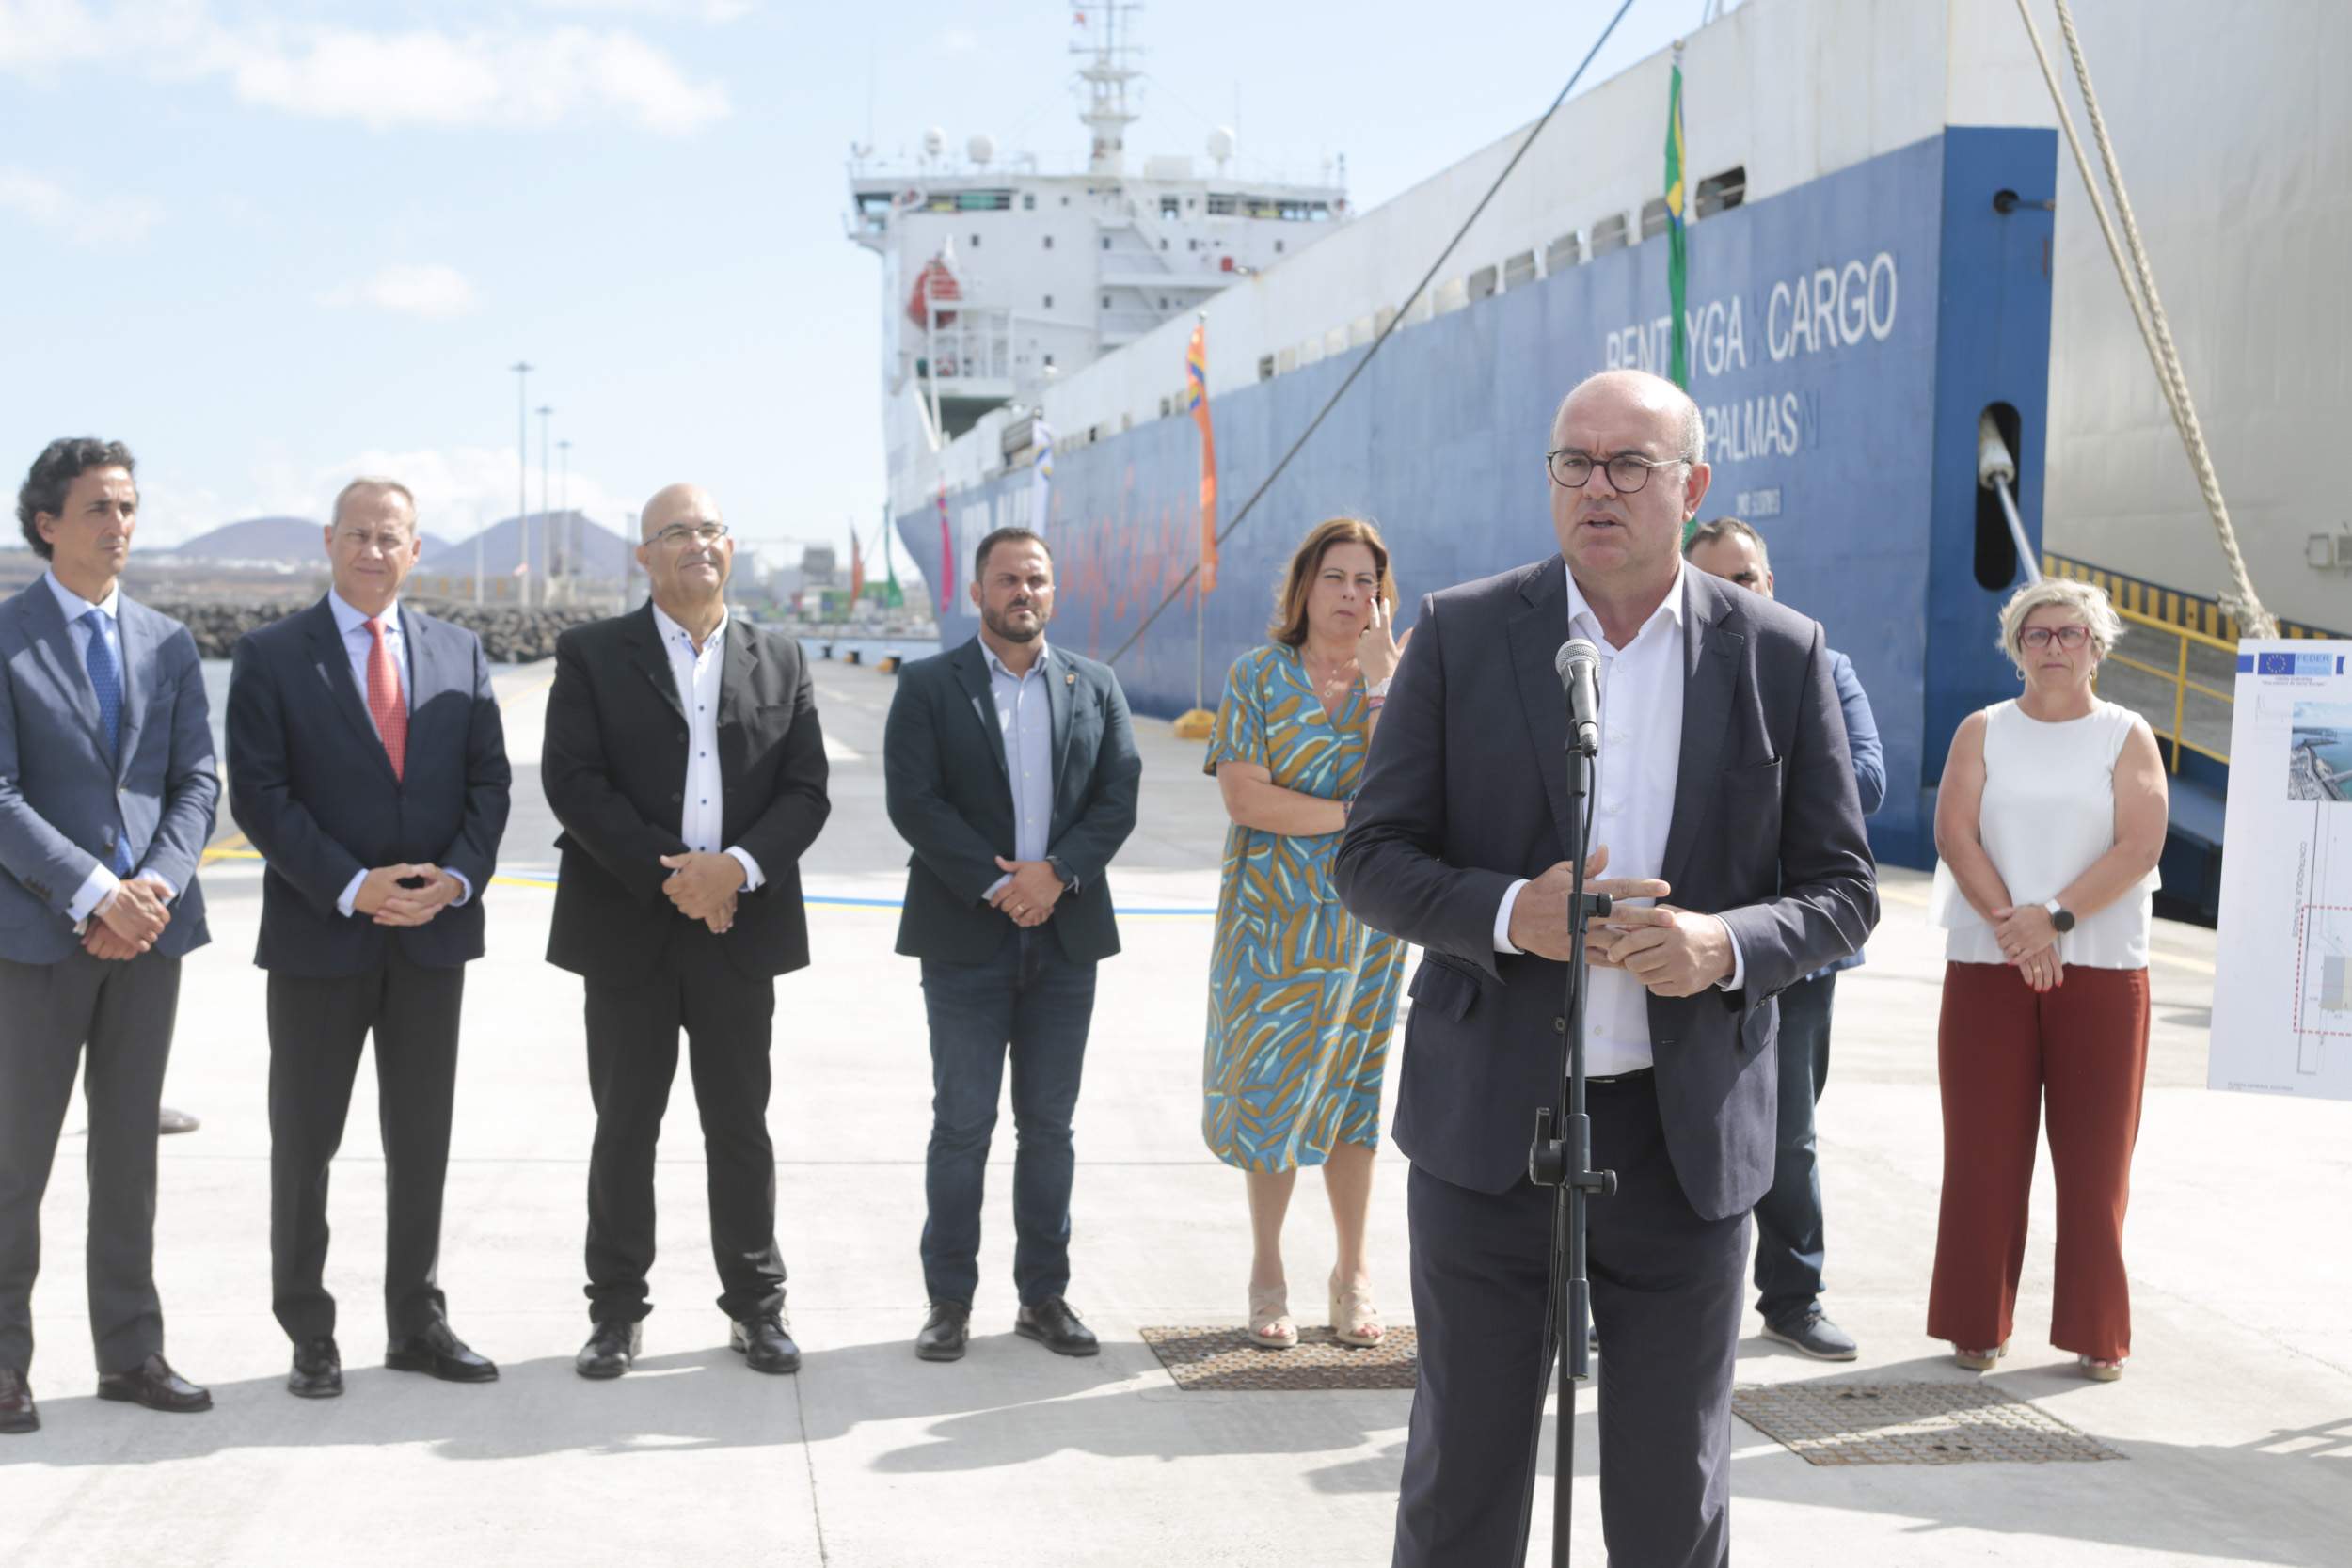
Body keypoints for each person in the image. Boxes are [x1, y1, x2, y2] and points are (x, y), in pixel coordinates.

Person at [1335, 369, 1877, 1567]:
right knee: (1463, 1469)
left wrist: (1724, 945)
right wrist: (1503, 913)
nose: (1597, 486)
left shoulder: (1780, 653)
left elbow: (1843, 891)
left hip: (1680, 1138)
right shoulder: (1465, 632)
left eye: (1629, 463)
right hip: (1490, 1127)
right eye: (1572, 462)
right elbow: (1370, 857)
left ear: (1691, 485)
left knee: (1669, 1480)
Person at [226, 477, 513, 1399]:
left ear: (415, 549)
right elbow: (261, 796)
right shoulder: (271, 655)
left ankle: (415, 1320)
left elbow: (489, 788)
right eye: (357, 534)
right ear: (328, 540)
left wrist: (453, 881)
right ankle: (308, 1328)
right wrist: (353, 887)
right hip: (321, 936)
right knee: (304, 1141)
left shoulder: (462, 653)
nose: (373, 550)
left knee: (421, 1138)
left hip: (432, 936)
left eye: (390, 536)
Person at [542, 483, 832, 1381]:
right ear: (645, 556)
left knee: (740, 1124)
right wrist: (678, 879)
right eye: (676, 532)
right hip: (629, 927)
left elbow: (806, 790)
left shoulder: (781, 656)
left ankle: (757, 1307)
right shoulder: (591, 653)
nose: (696, 544)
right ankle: (615, 1313)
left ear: (730, 547)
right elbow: (574, 781)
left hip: (740, 927)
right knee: (625, 1125)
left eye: (709, 529)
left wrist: (733, 871)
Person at [0, 437, 220, 1433]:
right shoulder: (5, 639)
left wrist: (154, 887)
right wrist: (94, 891)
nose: (119, 525)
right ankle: (5, 1364)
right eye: (99, 508)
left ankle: (131, 1353)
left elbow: (196, 783)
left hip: (151, 936)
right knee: (16, 1162)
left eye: (128, 507)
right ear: (47, 522)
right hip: (38, 939)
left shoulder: (169, 643)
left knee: (128, 1154)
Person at [884, 527, 1140, 1364]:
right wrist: (1000, 883)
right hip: (964, 939)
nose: (1021, 591)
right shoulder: (927, 685)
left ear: (1053, 592)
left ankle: (1043, 1297)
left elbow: (1118, 795)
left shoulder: (1094, 685)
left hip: (1064, 941)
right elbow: (914, 801)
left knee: (1050, 1128)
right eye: (1006, 579)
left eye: (1035, 578)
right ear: (977, 592)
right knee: (961, 1125)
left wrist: (1056, 874)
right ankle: (948, 1300)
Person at [1927, 578, 2165, 1382]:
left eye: (2070, 633)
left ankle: (2099, 1330)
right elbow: (1955, 832)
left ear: (2098, 646)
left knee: (2097, 1161)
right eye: (2037, 633)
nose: (2054, 645)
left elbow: (2139, 845)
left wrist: (2052, 918)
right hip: (1987, 967)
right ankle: (1975, 1322)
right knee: (1983, 1155)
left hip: (2099, 971)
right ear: (2016, 646)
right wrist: (2013, 926)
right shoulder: (1982, 730)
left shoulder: (2124, 734)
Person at [1202, 516, 1409, 1350]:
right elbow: (1247, 798)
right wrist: (1354, 818)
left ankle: (1353, 1274)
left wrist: (1381, 682)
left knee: (1351, 1099)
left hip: (1364, 931)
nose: (1351, 595)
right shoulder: (1257, 675)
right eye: (1336, 578)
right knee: (1269, 1095)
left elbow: (1405, 788)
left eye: (1367, 581)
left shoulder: (1396, 679)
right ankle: (1267, 1272)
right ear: (1304, 587)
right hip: (1267, 926)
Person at [1684, 516, 1884, 1361]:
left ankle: (1794, 1296)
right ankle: (1613, 1294)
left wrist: (1748, 796)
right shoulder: (1671, 668)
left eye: (1754, 575)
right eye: (1725, 579)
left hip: (1795, 947)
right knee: (1644, 1120)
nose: (1745, 591)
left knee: (1787, 1131)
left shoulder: (1820, 665)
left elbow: (1863, 782)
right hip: (1684, 939)